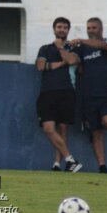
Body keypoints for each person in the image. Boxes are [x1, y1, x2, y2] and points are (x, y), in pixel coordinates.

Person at [69, 17, 107, 173]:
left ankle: (100, 121)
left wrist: (81, 41)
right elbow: (75, 62)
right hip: (88, 95)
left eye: (93, 28)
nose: (91, 31)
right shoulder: (81, 48)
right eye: (88, 28)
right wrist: (65, 49)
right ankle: (102, 166)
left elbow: (102, 45)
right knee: (96, 132)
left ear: (100, 29)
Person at [35, 17, 84, 172]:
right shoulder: (45, 48)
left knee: (63, 128)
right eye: (59, 27)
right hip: (47, 92)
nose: (61, 29)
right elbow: (41, 66)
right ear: (54, 29)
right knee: (48, 128)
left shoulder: (74, 48)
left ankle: (58, 163)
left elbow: (71, 61)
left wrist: (61, 49)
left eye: (64, 27)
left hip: (67, 91)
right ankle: (70, 159)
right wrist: (61, 63)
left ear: (68, 30)